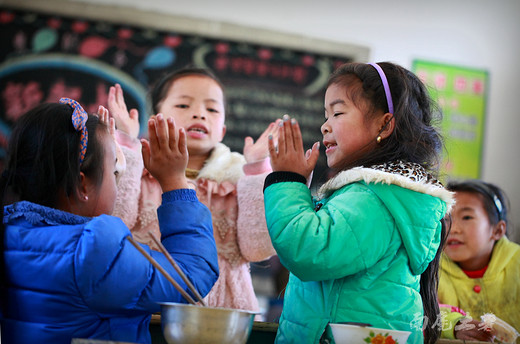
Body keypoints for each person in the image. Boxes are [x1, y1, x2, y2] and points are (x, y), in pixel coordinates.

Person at [262, 62, 454, 344]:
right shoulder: (379, 194)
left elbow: (309, 249)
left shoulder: (375, 199)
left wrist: (287, 180)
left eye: (337, 113)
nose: (324, 126)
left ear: (385, 124)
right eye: (325, 115)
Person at [0, 99, 219, 344]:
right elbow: (191, 278)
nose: (118, 182)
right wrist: (175, 182)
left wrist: (107, 159)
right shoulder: (95, 253)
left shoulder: (11, 235)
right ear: (83, 184)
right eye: (115, 172)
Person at [108, 67, 278, 313]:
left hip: (222, 316)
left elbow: (258, 249)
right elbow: (113, 222)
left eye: (211, 109)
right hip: (145, 307)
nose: (199, 114)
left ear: (222, 130)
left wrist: (256, 170)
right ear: (155, 117)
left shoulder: (239, 179)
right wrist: (125, 144)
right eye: (184, 106)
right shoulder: (140, 168)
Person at [438, 179, 520, 342]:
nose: (453, 228)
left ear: (497, 230)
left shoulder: (516, 262)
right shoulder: (432, 270)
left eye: (467, 217)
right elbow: (426, 311)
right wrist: (454, 324)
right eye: (446, 219)